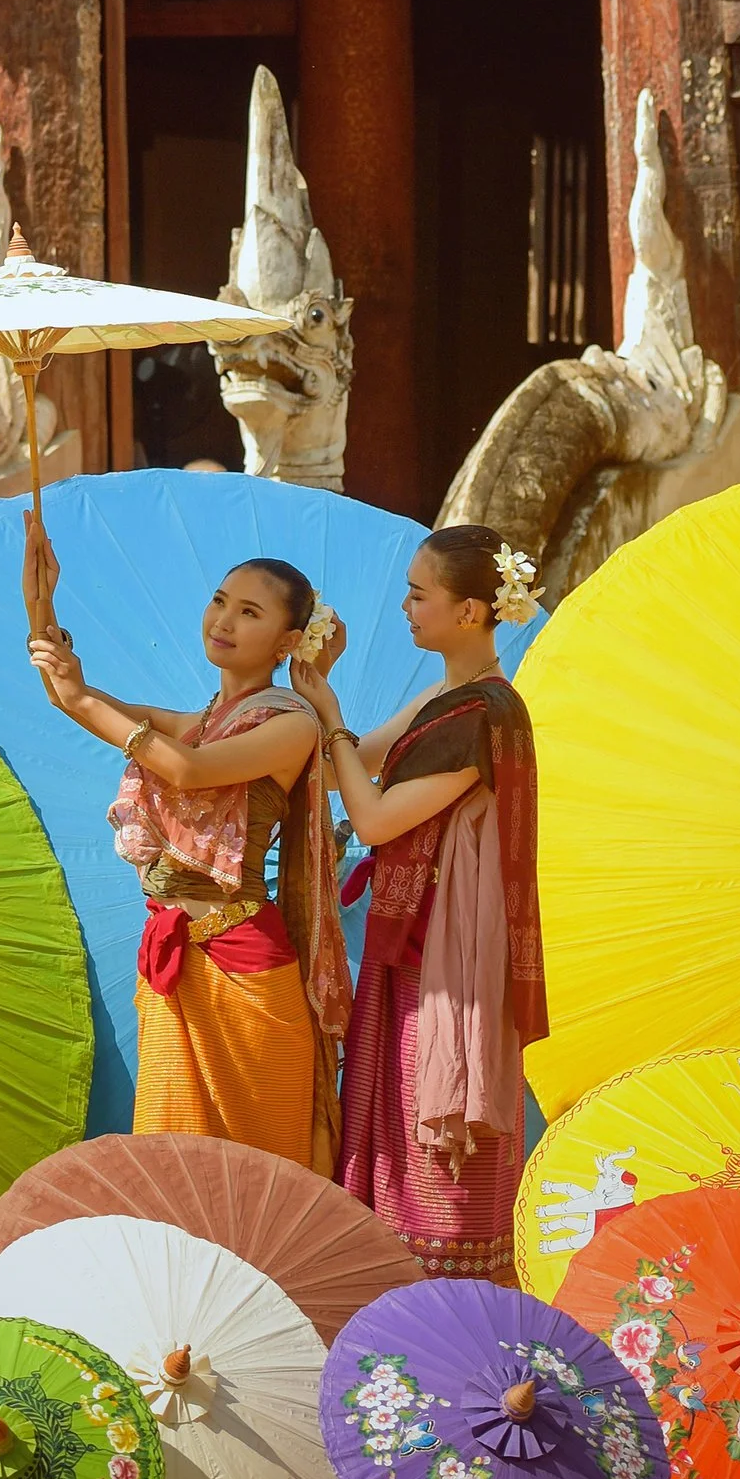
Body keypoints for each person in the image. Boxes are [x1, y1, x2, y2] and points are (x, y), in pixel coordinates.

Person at [25, 513, 348, 1169]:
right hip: (176, 963)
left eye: (249, 612)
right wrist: (40, 604)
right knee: (173, 1169)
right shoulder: (201, 718)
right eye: (220, 601)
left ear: (287, 641)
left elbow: (187, 770)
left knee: (260, 1176)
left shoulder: (293, 723)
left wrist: (88, 704)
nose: (223, 621)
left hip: (245, 971)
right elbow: (72, 695)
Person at [294, 522, 545, 1279]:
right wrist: (315, 695)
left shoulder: (483, 714)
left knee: (431, 1124)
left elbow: (370, 817)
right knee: (394, 1119)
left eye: (418, 593)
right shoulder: (450, 697)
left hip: (447, 959)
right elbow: (349, 769)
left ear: (471, 611)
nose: (404, 605)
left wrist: (331, 712)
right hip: (416, 945)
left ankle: (448, 1299)